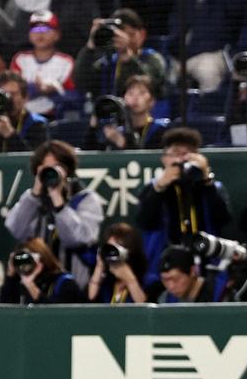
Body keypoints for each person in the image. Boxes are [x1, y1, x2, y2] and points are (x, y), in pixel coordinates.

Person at [134, 127, 232, 283]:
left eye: (187, 154)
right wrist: (160, 187)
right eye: (175, 154)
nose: (181, 160)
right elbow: (144, 222)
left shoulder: (211, 186)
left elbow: (223, 220)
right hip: (165, 266)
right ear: (164, 159)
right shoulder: (153, 188)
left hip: (206, 263)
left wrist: (206, 179)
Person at [3, 140, 103, 287]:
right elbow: (16, 229)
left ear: (68, 170)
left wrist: (58, 200)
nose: (50, 172)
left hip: (74, 286)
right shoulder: (33, 201)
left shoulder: (86, 199)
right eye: (45, 168)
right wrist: (34, 194)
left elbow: (77, 239)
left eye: (56, 167)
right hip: (36, 285)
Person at [87, 75, 169, 150]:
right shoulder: (117, 132)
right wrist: (93, 127)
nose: (135, 97)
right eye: (130, 93)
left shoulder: (161, 130)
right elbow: (89, 154)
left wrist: (123, 143)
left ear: (152, 101)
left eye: (142, 93)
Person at [0, 238, 82, 304]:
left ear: (41, 258)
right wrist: (10, 275)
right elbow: (2, 313)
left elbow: (55, 315)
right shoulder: (20, 282)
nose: (24, 265)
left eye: (28, 259)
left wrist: (30, 285)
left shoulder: (65, 282)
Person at [87, 223, 148, 304]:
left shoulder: (148, 281)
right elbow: (91, 297)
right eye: (110, 247)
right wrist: (99, 266)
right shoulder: (107, 281)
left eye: (117, 247)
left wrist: (130, 281)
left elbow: (146, 308)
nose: (112, 253)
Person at [144, 245, 213, 304]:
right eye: (165, 280)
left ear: (193, 271)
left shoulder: (216, 295)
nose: (171, 287)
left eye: (176, 279)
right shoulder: (166, 299)